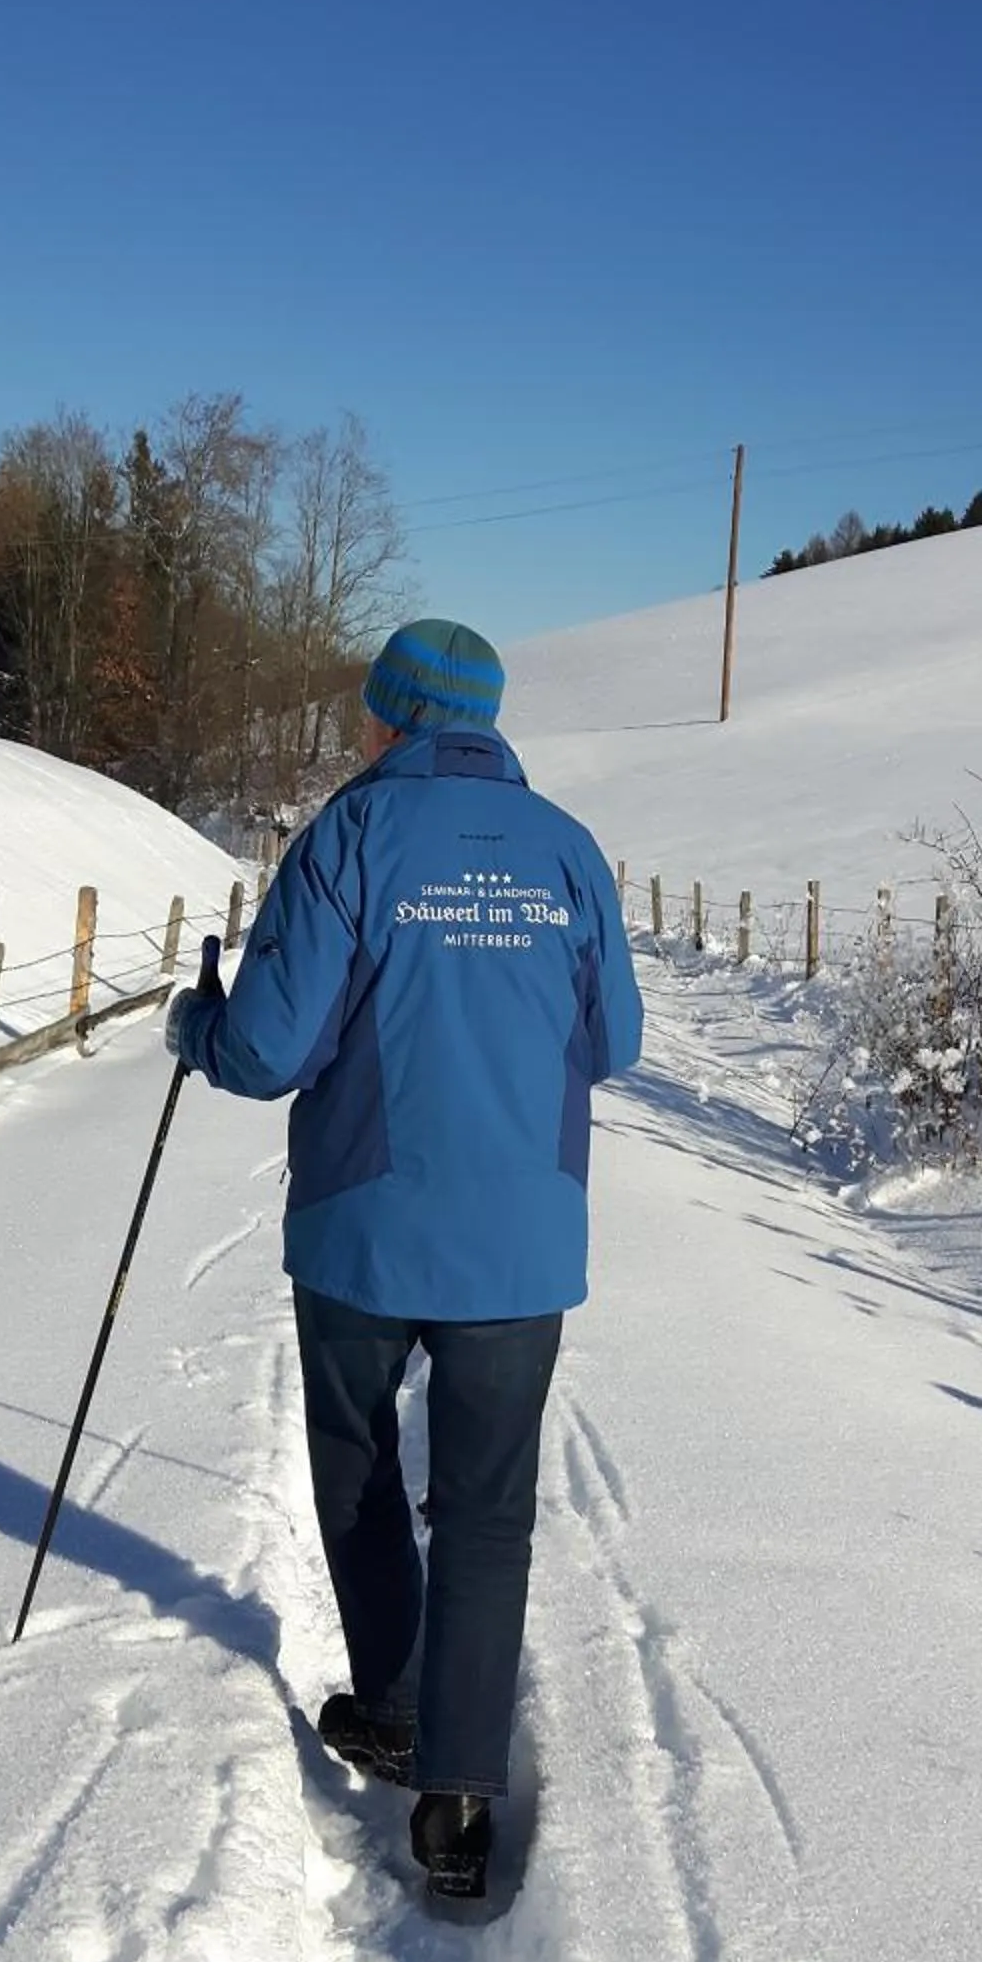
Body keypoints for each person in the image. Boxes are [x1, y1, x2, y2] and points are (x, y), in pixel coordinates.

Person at [167, 619, 641, 1897]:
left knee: (361, 1469)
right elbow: (614, 1044)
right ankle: (458, 1800)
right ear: (483, 719)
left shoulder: (348, 836)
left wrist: (196, 1025)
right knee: (488, 1513)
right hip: (522, 1239)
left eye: (367, 711)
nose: (359, 729)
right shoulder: (565, 848)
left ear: (391, 716)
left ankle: (392, 1703)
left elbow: (266, 1051)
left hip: (363, 1231)